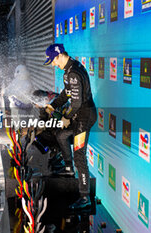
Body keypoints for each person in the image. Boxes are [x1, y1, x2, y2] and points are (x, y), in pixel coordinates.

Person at [43, 44, 97, 210]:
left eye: (53, 61)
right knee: (61, 135)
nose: (53, 64)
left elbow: (76, 103)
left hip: (84, 117)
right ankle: (68, 168)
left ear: (59, 56)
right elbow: (66, 94)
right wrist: (52, 106)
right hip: (79, 114)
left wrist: (66, 117)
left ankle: (84, 197)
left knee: (79, 155)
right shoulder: (69, 70)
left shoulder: (72, 72)